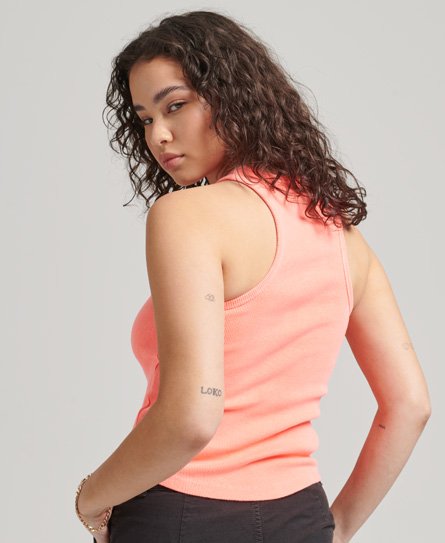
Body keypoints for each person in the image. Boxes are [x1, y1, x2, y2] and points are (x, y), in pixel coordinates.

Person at [74, 9, 432, 543]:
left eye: (175, 106)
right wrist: (337, 529)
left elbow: (193, 417)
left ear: (231, 96)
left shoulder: (188, 216)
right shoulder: (341, 236)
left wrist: (91, 498)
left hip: (180, 514)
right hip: (300, 516)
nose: (159, 135)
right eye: (145, 118)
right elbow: (409, 405)